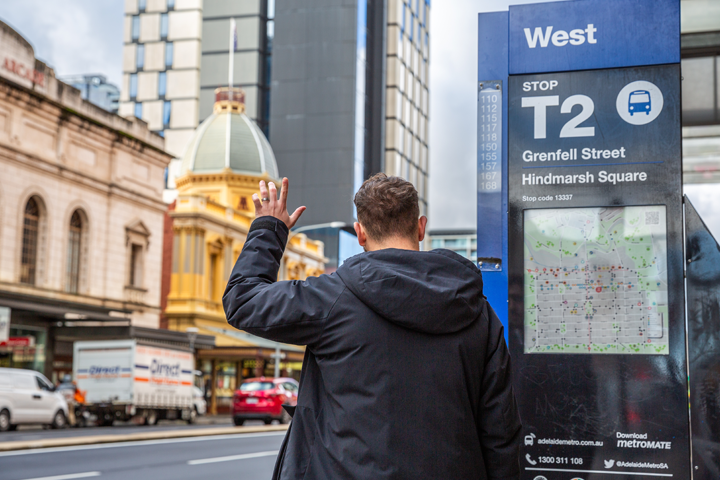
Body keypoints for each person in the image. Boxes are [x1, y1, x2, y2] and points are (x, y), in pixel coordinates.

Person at [223, 174, 521, 479]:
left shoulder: (331, 299)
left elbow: (242, 301)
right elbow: (501, 435)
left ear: (360, 233)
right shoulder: (478, 314)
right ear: (420, 227)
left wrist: (270, 229)